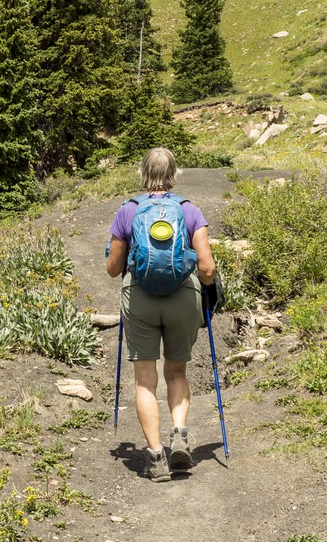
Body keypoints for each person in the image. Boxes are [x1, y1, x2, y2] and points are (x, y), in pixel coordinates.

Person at [106, 146, 217, 482]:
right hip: (182, 297)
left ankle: (155, 456)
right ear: (173, 174)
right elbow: (207, 268)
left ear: (143, 173)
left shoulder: (128, 210)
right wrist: (205, 286)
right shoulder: (188, 210)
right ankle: (179, 435)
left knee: (145, 380)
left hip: (140, 299)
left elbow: (113, 269)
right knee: (177, 372)